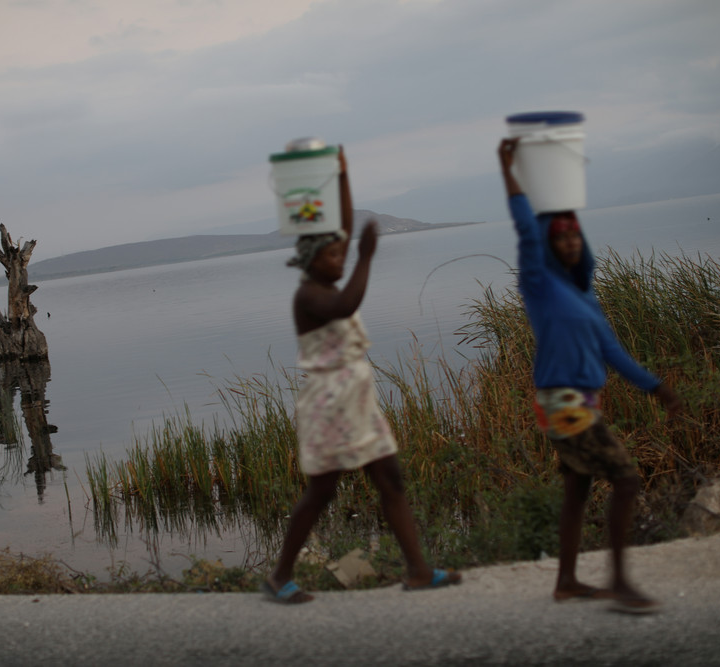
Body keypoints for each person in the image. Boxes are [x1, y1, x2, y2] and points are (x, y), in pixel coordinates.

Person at [262, 147, 462, 603]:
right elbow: (345, 306)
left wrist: (342, 176)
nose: (342, 259)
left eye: (344, 254)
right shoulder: (311, 295)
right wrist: (370, 257)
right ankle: (279, 575)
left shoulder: (326, 278)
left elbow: (346, 230)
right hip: (330, 405)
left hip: (356, 400)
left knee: (390, 478)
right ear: (312, 259)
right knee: (321, 492)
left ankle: (417, 570)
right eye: (334, 255)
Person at [497, 137, 683, 614]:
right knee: (624, 478)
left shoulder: (587, 298)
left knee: (577, 490)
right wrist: (511, 169)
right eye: (560, 237)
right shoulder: (540, 285)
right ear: (550, 247)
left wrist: (656, 387)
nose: (569, 241)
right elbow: (525, 230)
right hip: (562, 402)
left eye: (574, 235)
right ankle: (619, 582)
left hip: (584, 400)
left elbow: (612, 353)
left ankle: (566, 582)